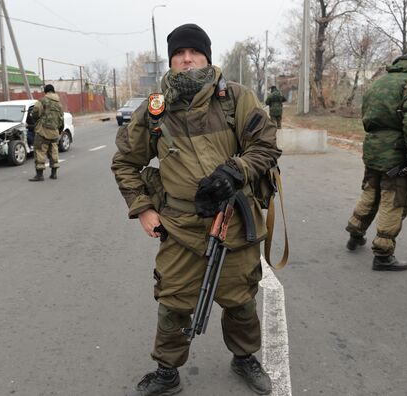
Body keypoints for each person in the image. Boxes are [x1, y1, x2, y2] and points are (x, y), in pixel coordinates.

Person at [111, 23, 281, 395]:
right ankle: (167, 371)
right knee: (173, 302)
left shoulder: (236, 98)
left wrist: (235, 171)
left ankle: (244, 357)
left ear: (207, 56)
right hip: (179, 225)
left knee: (240, 299)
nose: (187, 60)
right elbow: (124, 162)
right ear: (171, 60)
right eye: (179, 53)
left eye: (195, 53)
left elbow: (266, 146)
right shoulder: (154, 110)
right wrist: (143, 209)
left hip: (233, 218)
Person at [345, 51, 407, 271]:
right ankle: (383, 255)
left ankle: (355, 235)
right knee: (394, 200)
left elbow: (367, 116)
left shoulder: (380, 82)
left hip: (373, 148)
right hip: (396, 153)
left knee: (370, 191)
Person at [28, 84, 64, 181]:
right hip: (55, 131)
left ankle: (39, 175)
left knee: (39, 151)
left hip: (43, 131)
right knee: (53, 151)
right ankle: (54, 174)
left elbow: (35, 112)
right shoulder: (59, 104)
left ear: (45, 91)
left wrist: (36, 122)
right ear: (54, 91)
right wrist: (59, 131)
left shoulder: (42, 101)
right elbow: (61, 119)